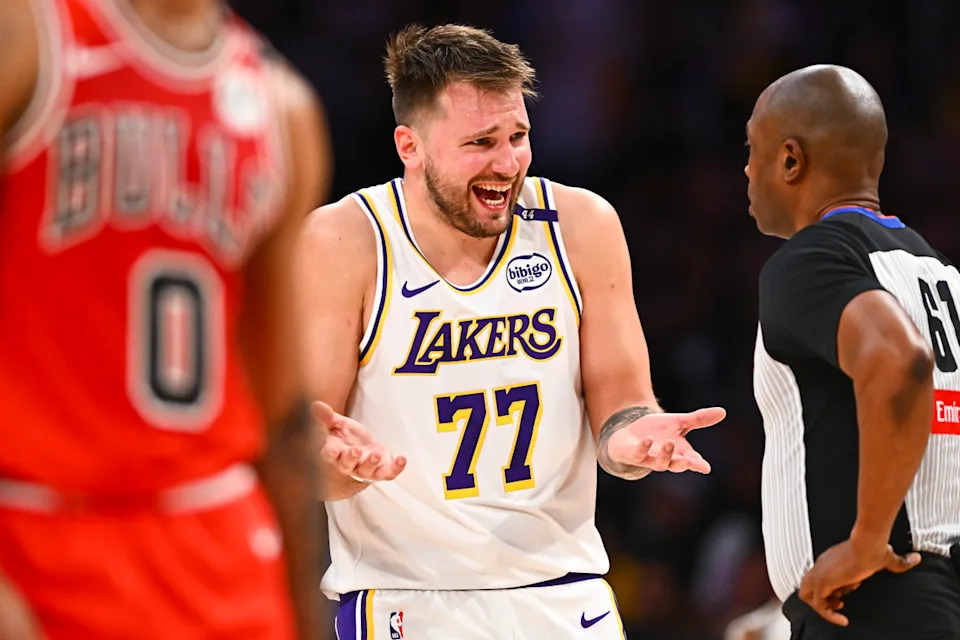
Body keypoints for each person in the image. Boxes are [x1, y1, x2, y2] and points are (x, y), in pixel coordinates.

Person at [296, 23, 726, 638]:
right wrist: (342, 463)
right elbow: (310, 448)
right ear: (410, 147)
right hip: (407, 596)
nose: (507, 164)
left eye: (518, 137)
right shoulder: (346, 240)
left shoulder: (581, 224)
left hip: (564, 593)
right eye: (480, 143)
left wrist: (635, 438)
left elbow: (622, 408)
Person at [0, 0, 330, 637]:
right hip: (35, 538)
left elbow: (283, 420)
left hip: (220, 544)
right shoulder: (32, 36)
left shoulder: (282, 110)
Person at [747, 64, 960, 638]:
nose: (745, 169)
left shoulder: (810, 260)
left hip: (874, 601)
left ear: (790, 160)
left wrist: (867, 541)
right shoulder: (938, 269)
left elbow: (901, 362)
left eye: (751, 149)